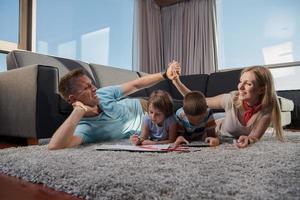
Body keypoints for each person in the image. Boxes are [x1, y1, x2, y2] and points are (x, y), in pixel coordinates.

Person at [48, 63, 180, 150]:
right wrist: (78, 110)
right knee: (185, 123)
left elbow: (136, 85)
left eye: (92, 84)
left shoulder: (102, 93)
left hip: (146, 106)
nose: (94, 89)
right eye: (87, 87)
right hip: (149, 126)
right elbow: (55, 146)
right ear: (73, 99)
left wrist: (164, 75)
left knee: (189, 109)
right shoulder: (85, 128)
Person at [171, 63, 283, 148]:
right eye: (241, 81)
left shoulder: (267, 109)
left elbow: (254, 137)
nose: (240, 87)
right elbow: (198, 100)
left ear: (261, 90)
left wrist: (249, 140)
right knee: (176, 107)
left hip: (222, 117)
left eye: (248, 84)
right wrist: (176, 81)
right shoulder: (231, 98)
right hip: (217, 122)